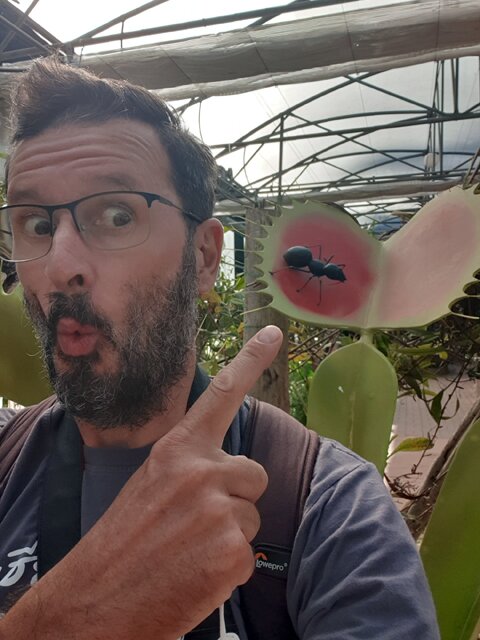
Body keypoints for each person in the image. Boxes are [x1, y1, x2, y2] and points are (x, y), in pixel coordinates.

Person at [0, 58, 440, 639]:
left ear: (205, 256)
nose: (60, 267)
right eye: (35, 224)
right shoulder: (6, 463)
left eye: (116, 215)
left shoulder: (328, 508)